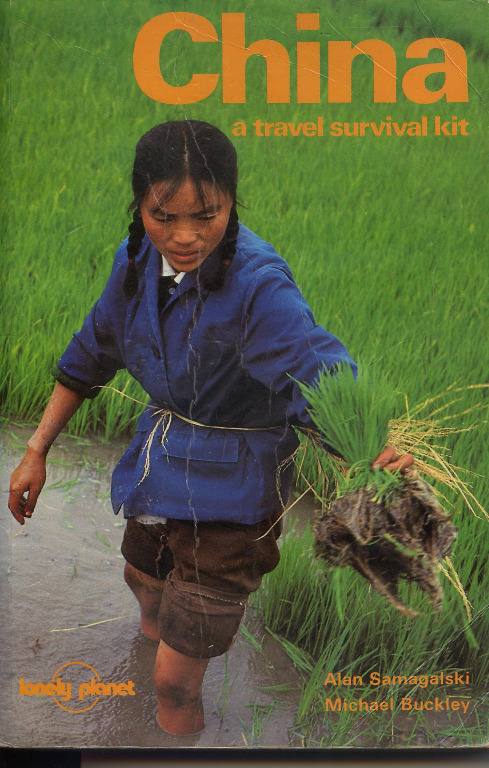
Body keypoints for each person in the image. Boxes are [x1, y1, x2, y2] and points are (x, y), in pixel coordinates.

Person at [8, 120, 413, 736]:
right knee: (143, 583)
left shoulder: (258, 286)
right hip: (159, 466)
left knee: (174, 682)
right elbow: (92, 350)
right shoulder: (135, 260)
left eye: (207, 215)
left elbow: (317, 368)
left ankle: (176, 726)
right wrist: (36, 449)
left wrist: (368, 444)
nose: (184, 236)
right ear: (140, 206)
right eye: (163, 215)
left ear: (231, 203)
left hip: (233, 497)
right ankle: (146, 700)